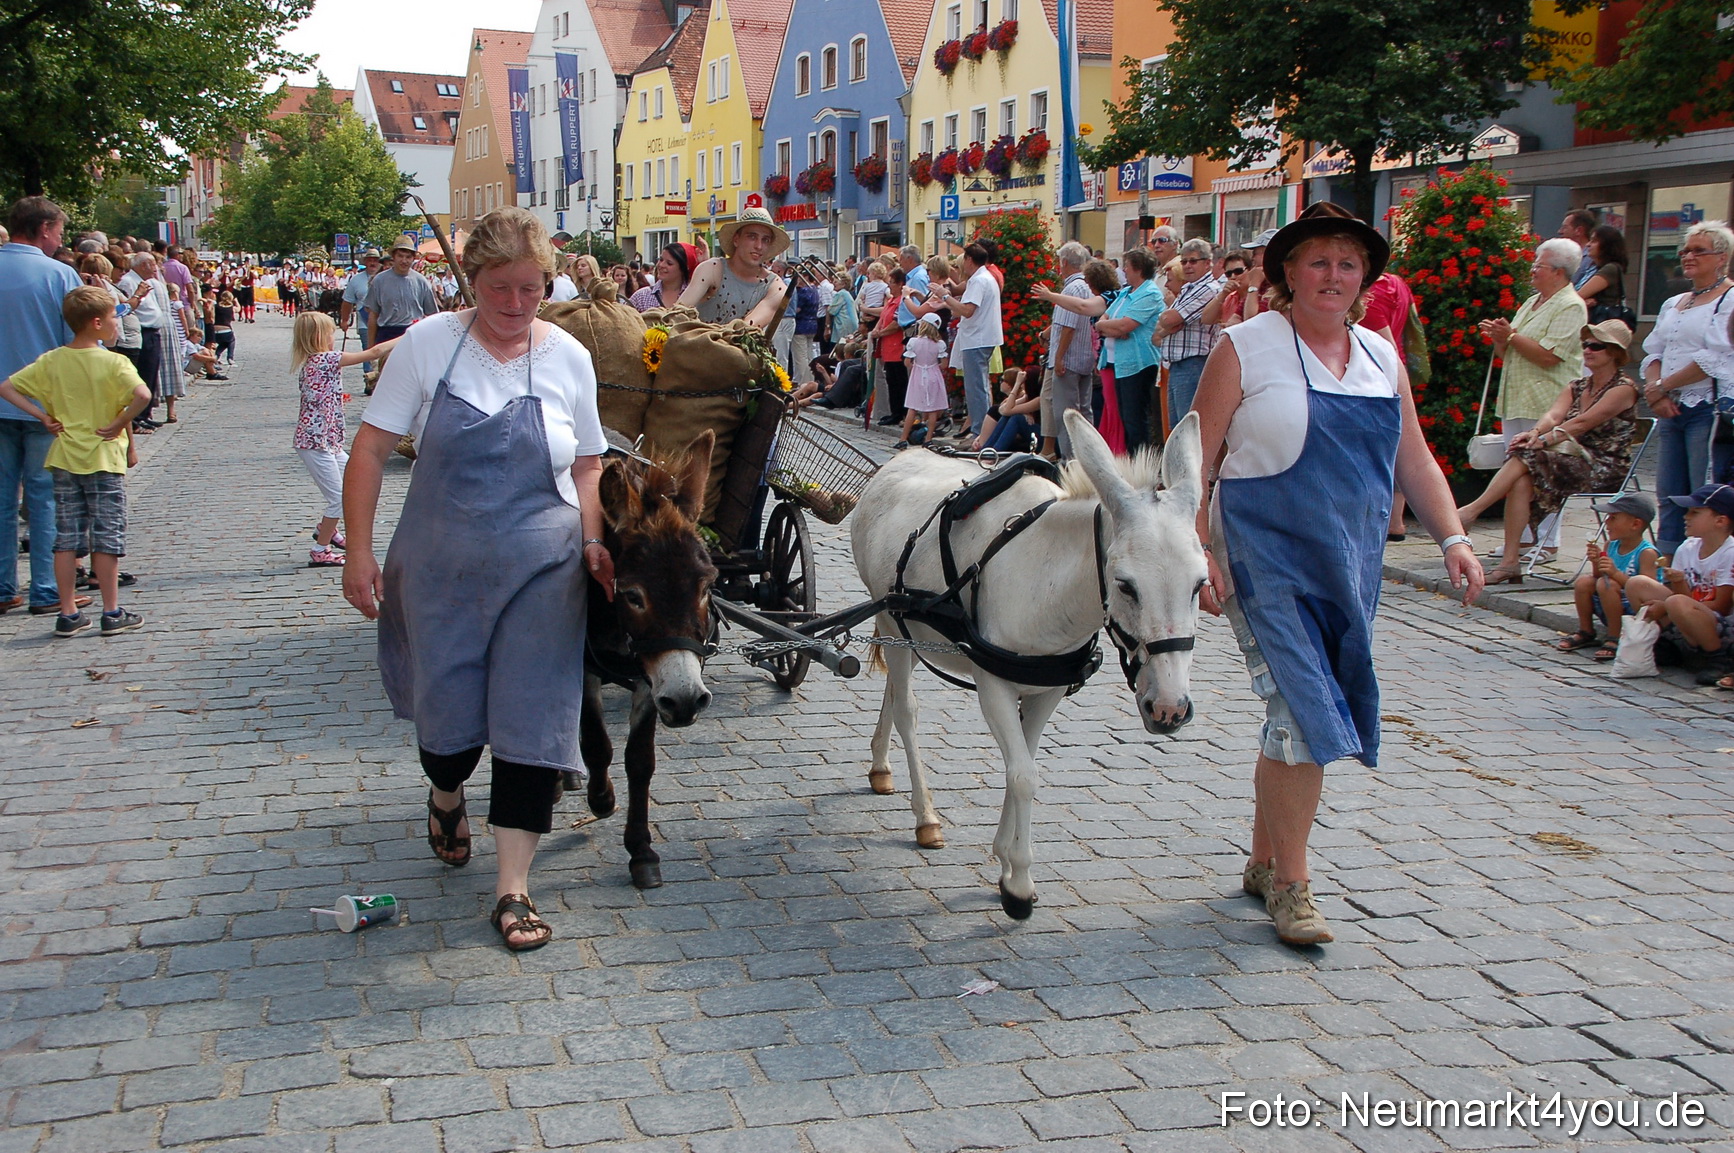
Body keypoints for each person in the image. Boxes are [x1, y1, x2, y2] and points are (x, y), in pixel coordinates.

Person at [1192, 211, 1484, 945]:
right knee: (1303, 713)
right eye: (1316, 262)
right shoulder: (1245, 346)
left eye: (1346, 265)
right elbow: (1193, 458)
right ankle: (1294, 885)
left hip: (1347, 561)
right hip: (1261, 557)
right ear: (1288, 273)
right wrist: (1195, 548)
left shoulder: (1381, 355)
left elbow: (1413, 460)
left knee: (1298, 709)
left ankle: (1263, 860)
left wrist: (1451, 535)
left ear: (1365, 280)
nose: (1332, 276)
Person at [342, 207, 613, 953]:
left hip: (543, 569)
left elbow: (587, 461)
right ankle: (445, 790)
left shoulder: (566, 354)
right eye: (502, 289)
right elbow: (368, 452)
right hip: (441, 566)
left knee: (534, 720)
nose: (519, 305)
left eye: (532, 289)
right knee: (449, 728)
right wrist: (358, 552)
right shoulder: (430, 345)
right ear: (472, 280)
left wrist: (592, 539)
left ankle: (513, 888)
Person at [0, 286, 151, 636]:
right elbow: (142, 395)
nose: (117, 322)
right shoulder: (114, 361)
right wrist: (117, 425)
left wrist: (41, 416)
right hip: (103, 458)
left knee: (65, 536)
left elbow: (7, 387)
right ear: (97, 323)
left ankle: (68, 612)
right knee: (106, 534)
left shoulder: (52, 360)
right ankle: (111, 611)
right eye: (114, 316)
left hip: (65, 456)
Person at [1458, 321, 1640, 584]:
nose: (1588, 350)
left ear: (1614, 352)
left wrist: (1543, 441)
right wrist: (1533, 433)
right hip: (1570, 459)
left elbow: (1583, 423)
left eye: (1596, 346)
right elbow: (1554, 414)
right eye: (1586, 344)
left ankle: (1472, 511)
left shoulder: (1624, 388)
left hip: (1604, 466)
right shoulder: (1577, 385)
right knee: (1522, 469)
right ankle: (1510, 561)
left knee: (1528, 457)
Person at [1478, 237, 1589, 561]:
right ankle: (1522, 538)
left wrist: (1511, 336)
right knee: (1514, 469)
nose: (1532, 270)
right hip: (1516, 396)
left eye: (1538, 265)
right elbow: (1508, 350)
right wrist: (1501, 338)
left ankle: (1548, 541)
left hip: (1548, 401)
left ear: (1558, 271)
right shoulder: (1531, 302)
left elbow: (1550, 356)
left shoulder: (1570, 304)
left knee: (1546, 472)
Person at [0, 197, 84, 617]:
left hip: (3, 401)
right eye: (59, 232)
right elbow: (79, 343)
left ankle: (2, 586)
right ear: (45, 228)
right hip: (45, 406)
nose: (60, 240)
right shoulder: (59, 274)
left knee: (1, 499)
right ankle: (46, 588)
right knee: (45, 497)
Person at [1640, 220, 1734, 555]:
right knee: (1668, 492)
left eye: (1698, 250)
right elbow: (1654, 351)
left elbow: (1715, 357)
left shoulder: (1730, 299)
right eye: (1685, 250)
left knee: (1704, 492)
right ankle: (1669, 563)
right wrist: (1655, 389)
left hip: (1706, 407)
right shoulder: (1674, 302)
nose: (1688, 256)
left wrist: (1663, 385)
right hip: (1670, 407)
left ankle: (1705, 564)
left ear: (1721, 257)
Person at [291, 312, 401, 567]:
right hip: (316, 444)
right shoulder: (325, 360)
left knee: (355, 482)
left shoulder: (314, 362)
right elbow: (374, 353)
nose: (334, 337)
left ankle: (327, 531)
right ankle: (320, 549)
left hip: (328, 442)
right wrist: (409, 336)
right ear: (320, 337)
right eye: (330, 333)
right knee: (340, 499)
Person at [1626, 483, 1734, 686]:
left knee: (1676, 603)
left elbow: (1723, 607)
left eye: (1695, 513)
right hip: (1689, 612)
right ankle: (1672, 645)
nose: (1686, 517)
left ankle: (1718, 657)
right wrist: (1678, 583)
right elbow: (1684, 596)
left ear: (1720, 521)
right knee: (1637, 584)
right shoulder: (1688, 546)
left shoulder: (1729, 552)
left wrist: (1667, 605)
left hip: (1720, 626)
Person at [1556, 492, 1659, 661]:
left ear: (1635, 524)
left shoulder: (1646, 553)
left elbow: (1646, 588)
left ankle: (1614, 636)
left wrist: (1615, 573)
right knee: (1584, 582)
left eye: (1613, 518)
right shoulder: (1611, 545)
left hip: (1632, 608)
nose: (1607, 524)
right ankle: (1586, 630)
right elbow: (1599, 576)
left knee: (1607, 584)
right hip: (1609, 602)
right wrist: (1596, 561)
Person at [678, 204, 791, 330]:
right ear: (736, 239)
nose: (759, 246)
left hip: (737, 348)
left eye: (765, 240)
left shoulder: (776, 287)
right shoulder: (713, 269)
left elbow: (744, 331)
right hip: (696, 346)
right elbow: (679, 312)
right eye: (752, 237)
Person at [932, 242, 1002, 437]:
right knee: (980, 386)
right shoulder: (983, 278)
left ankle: (980, 432)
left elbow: (967, 310)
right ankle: (983, 430)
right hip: (981, 336)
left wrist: (944, 296)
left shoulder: (979, 280)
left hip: (977, 338)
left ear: (970, 260)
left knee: (976, 388)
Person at [1157, 238, 1221, 423]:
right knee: (1176, 426)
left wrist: (1168, 319)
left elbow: (1169, 319)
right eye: (1184, 261)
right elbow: (1163, 326)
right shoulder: (1188, 288)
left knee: (1188, 428)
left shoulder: (1208, 289)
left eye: (1193, 261)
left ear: (1208, 263)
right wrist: (1168, 321)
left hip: (1194, 364)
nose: (1187, 266)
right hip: (1177, 365)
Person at [1044, 241, 1097, 459]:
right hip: (1084, 359)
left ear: (1064, 263)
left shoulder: (1072, 288)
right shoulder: (1088, 286)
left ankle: (1070, 460)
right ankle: (1087, 458)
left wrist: (1058, 358)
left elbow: (1068, 327)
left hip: (1069, 360)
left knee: (1066, 415)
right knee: (1084, 413)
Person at [364, 236, 441, 351]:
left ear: (413, 258)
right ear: (393, 257)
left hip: (414, 334)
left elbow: (432, 316)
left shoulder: (421, 282)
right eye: (400, 256)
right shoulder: (379, 281)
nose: (404, 261)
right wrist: (370, 348)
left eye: (408, 257)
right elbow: (373, 315)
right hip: (387, 333)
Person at [897, 318, 949, 449]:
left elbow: (907, 362)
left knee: (912, 407)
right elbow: (944, 364)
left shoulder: (914, 342)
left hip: (918, 374)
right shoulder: (939, 344)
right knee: (932, 408)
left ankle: (903, 439)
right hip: (933, 374)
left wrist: (916, 364)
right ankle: (928, 439)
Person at [1579, 225, 1630, 325]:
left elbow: (1578, 295)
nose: (1588, 245)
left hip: (1600, 325)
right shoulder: (1594, 268)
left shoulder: (1610, 269)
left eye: (1594, 241)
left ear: (1607, 245)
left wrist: (1582, 302)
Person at [628, 243, 701, 311]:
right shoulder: (642, 297)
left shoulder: (697, 296)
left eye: (669, 263)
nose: (661, 265)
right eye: (661, 260)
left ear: (684, 268)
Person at [340, 249, 383, 355]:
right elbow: (347, 301)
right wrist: (345, 320)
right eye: (370, 260)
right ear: (365, 262)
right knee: (368, 352)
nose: (372, 263)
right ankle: (368, 370)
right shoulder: (356, 280)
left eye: (375, 260)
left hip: (385, 322)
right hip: (365, 322)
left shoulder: (387, 278)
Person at [1559, 209, 1599, 288]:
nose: (1560, 231)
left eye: (1565, 227)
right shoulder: (1562, 255)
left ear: (1579, 230)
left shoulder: (1591, 258)